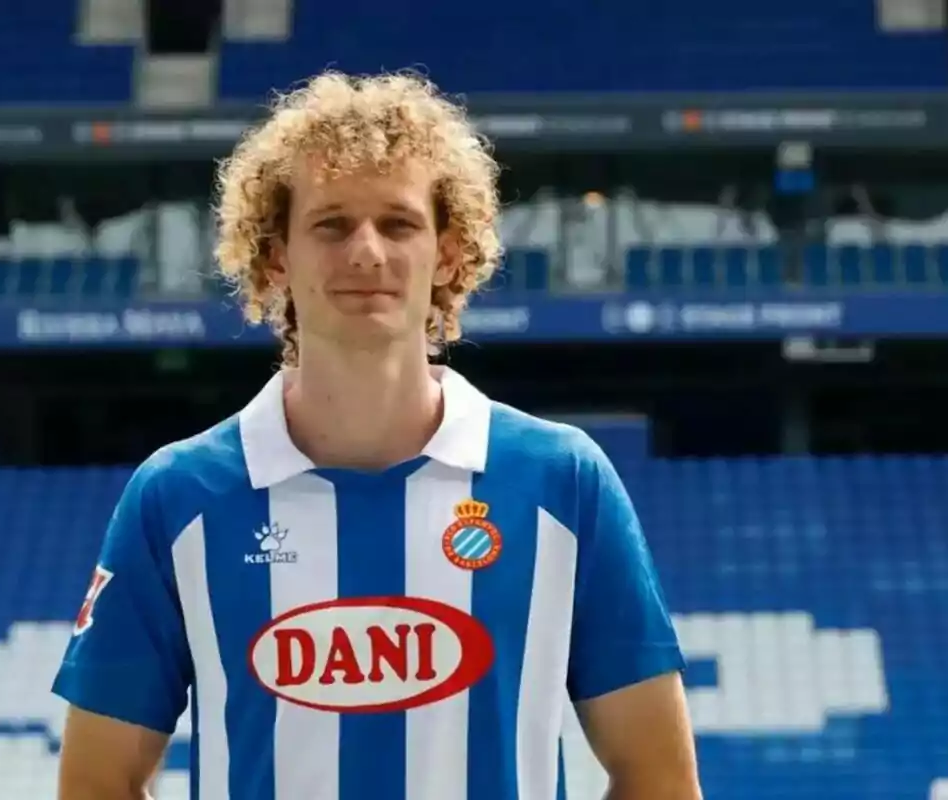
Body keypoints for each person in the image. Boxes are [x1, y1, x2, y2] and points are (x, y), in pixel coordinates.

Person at [51, 70, 701, 800]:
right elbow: (97, 781)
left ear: (449, 253)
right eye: (331, 224)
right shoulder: (177, 496)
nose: (366, 252)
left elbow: (658, 779)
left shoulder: (563, 481)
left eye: (398, 223)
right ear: (275, 257)